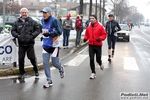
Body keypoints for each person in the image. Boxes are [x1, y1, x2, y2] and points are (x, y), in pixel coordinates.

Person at [11, 8, 41, 79]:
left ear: (27, 13)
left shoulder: (32, 22)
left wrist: (32, 36)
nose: (24, 14)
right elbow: (13, 31)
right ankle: (22, 73)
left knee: (32, 58)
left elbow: (38, 30)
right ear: (20, 13)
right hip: (21, 44)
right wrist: (17, 35)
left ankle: (36, 70)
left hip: (30, 44)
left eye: (25, 12)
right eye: (22, 12)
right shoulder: (17, 22)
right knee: (21, 59)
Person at [40, 7, 65, 88]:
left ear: (50, 13)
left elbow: (59, 31)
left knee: (55, 63)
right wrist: (43, 36)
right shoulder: (42, 20)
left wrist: (50, 34)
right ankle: (49, 80)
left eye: (45, 13)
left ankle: (61, 68)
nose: (44, 14)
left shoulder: (55, 20)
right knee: (45, 63)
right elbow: (44, 30)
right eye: (43, 13)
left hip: (54, 45)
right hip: (45, 45)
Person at [83, 15, 107, 79]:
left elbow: (104, 35)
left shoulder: (100, 27)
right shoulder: (88, 28)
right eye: (90, 18)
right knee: (91, 59)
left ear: (96, 19)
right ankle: (93, 72)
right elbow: (87, 35)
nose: (91, 19)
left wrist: (100, 38)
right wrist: (85, 38)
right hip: (91, 45)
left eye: (93, 18)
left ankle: (100, 63)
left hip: (98, 45)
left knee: (98, 59)